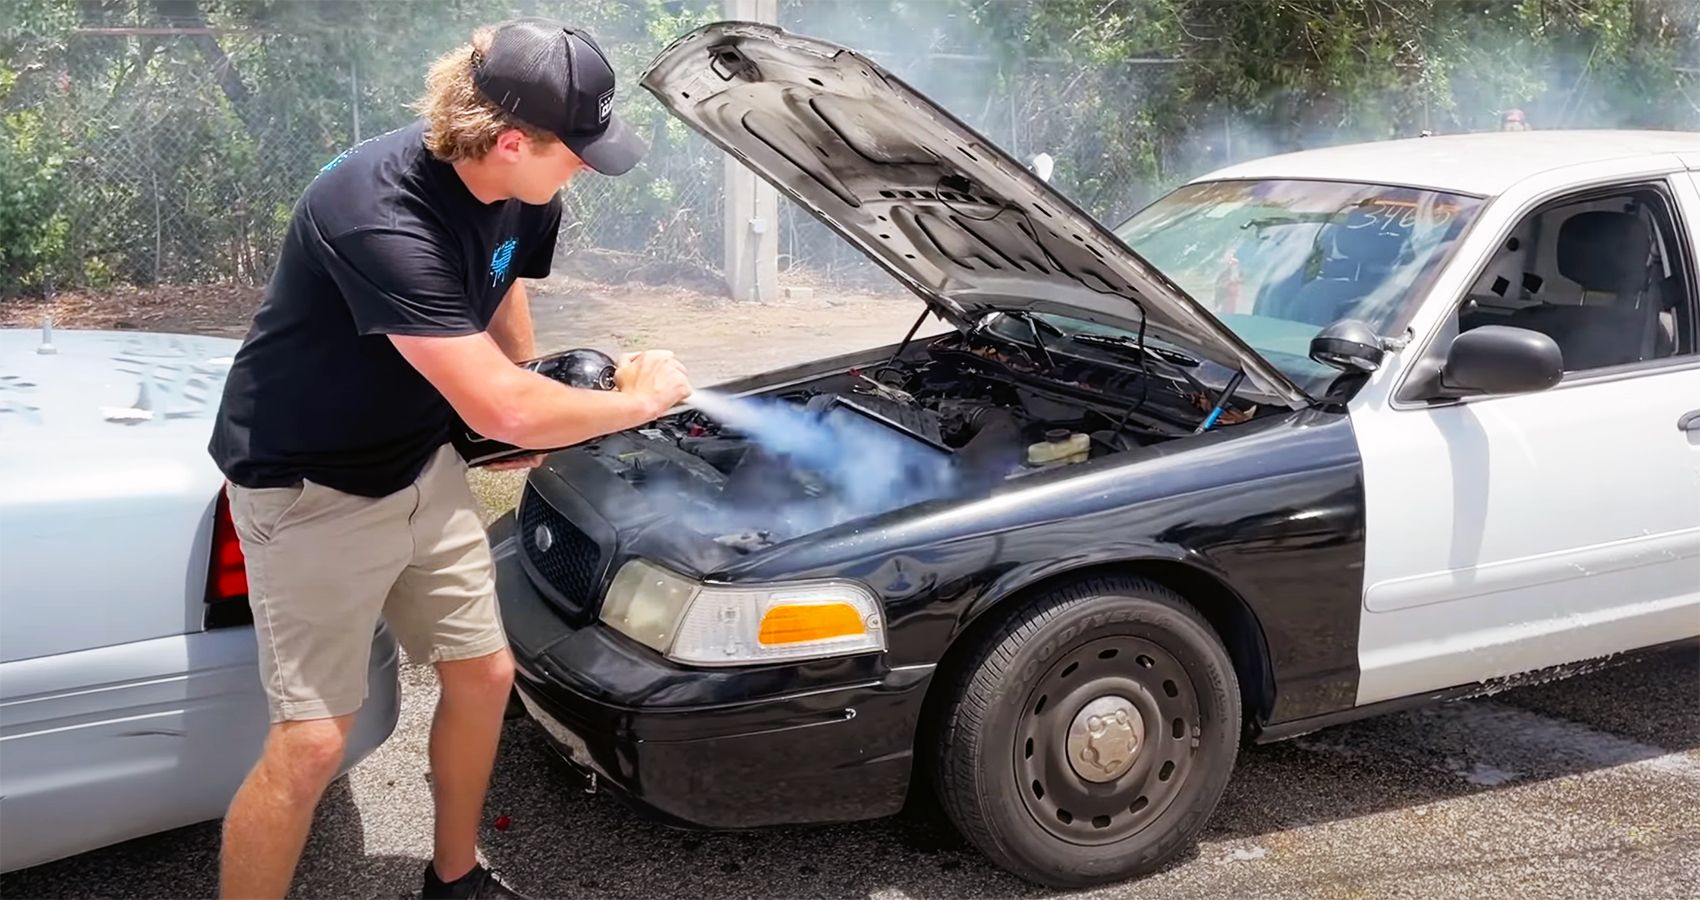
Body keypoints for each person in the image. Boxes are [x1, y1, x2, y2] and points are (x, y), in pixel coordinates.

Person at [206, 17, 691, 900]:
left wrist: (521, 412)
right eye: (576, 151)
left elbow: (503, 293)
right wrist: (631, 402)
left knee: (483, 674)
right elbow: (498, 402)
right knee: (314, 741)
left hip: (417, 459)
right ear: (510, 140)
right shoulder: (376, 213)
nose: (585, 166)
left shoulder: (525, 185)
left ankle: (455, 878)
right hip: (309, 483)